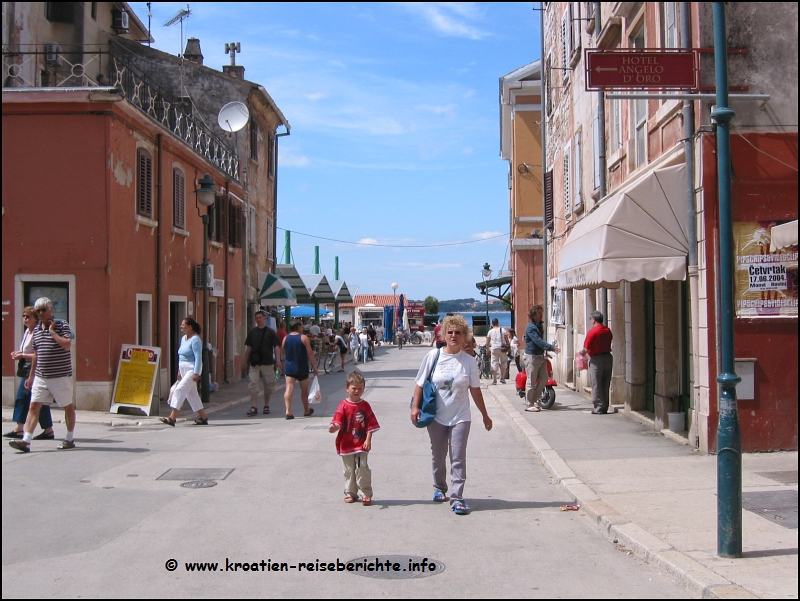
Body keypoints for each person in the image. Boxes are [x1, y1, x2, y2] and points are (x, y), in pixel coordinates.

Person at [411, 314, 493, 516]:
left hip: (461, 416)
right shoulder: (433, 357)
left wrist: (485, 415)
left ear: (465, 336)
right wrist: (415, 407)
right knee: (438, 455)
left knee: (458, 457)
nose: (454, 335)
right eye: (450, 332)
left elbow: (475, 390)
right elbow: (420, 383)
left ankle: (457, 498)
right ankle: (439, 487)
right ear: (443, 335)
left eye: (458, 332)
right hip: (436, 416)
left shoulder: (469, 361)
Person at [9, 297, 76, 452]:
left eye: (43, 310)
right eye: (38, 310)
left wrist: (52, 332)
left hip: (60, 375)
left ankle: (69, 438)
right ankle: (26, 440)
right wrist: (31, 376)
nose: (40, 313)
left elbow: (66, 345)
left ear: (51, 309)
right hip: (41, 375)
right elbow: (36, 355)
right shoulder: (37, 330)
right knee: (34, 406)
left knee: (67, 406)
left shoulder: (61, 325)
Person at [329, 371, 380, 505]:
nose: (356, 391)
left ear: (363, 389)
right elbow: (338, 420)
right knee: (348, 470)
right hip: (346, 444)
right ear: (347, 388)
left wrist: (368, 439)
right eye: (354, 388)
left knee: (362, 467)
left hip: (361, 443)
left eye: (360, 388)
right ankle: (350, 493)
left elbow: (370, 424)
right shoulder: (343, 405)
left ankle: (365, 493)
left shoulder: (365, 406)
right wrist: (334, 426)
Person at [4, 306, 55, 441]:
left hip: (33, 369)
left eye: (28, 317)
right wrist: (19, 353)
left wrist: (22, 355)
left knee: (24, 398)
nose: (25, 319)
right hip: (25, 367)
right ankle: (47, 429)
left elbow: (38, 354)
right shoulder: (27, 332)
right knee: (37, 400)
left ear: (35, 319)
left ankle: (19, 428)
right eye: (24, 316)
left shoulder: (37, 333)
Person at [160, 317, 210, 426]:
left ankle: (172, 418)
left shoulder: (196, 340)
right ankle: (203, 417)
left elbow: (198, 357)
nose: (181, 326)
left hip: (192, 368)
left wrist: (196, 372)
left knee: (179, 390)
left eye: (183, 325)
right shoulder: (183, 339)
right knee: (192, 395)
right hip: (183, 368)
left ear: (190, 327)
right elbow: (182, 356)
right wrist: (179, 370)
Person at [244, 310, 283, 416]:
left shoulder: (270, 332)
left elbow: (276, 347)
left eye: (260, 318)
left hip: (267, 361)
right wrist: (245, 361)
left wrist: (278, 360)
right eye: (257, 318)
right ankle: (254, 406)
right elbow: (248, 348)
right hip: (254, 362)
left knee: (269, 384)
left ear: (264, 319)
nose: (258, 320)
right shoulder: (252, 332)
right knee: (253, 383)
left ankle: (266, 405)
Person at [523, 305, 560, 412]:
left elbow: (540, 342)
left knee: (544, 379)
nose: (541, 314)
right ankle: (529, 404)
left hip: (540, 356)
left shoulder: (540, 325)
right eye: (539, 313)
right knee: (531, 381)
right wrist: (552, 347)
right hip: (531, 356)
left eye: (541, 312)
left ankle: (534, 400)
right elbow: (538, 340)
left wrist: (546, 351)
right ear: (534, 315)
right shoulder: (531, 327)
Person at [282, 320, 318, 419]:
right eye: (302, 327)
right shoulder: (304, 338)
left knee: (289, 388)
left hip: (289, 367)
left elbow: (283, 350)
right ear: (298, 327)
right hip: (302, 366)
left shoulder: (286, 338)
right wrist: (314, 366)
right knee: (304, 390)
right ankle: (306, 410)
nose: (303, 328)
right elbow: (310, 353)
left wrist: (289, 357)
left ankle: (288, 411)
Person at [579, 311, 614, 414]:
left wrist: (581, 353)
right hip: (608, 357)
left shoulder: (592, 332)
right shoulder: (607, 330)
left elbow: (586, 349)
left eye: (591, 319)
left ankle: (598, 407)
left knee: (596, 383)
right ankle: (605, 407)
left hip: (596, 359)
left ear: (593, 320)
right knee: (605, 383)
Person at [486, 318, 510, 385]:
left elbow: (487, 342)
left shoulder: (490, 331)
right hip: (502, 348)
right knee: (504, 362)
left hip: (494, 348)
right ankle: (502, 378)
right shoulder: (503, 330)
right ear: (498, 323)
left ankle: (494, 379)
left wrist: (487, 349)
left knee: (494, 363)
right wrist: (508, 347)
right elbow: (507, 340)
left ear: (492, 324)